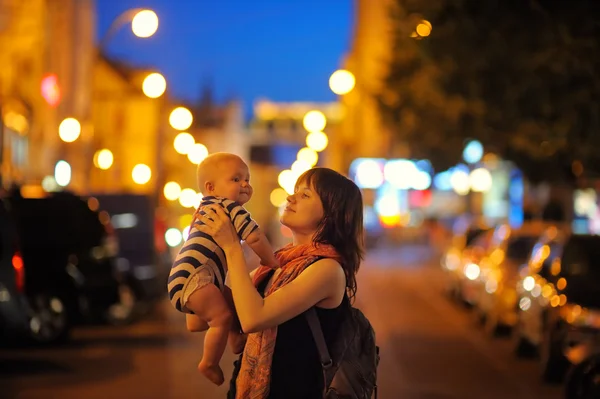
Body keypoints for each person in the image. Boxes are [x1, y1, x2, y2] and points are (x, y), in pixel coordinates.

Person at [196, 167, 364, 398]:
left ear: (331, 213)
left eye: (305, 195)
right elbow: (234, 337)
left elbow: (253, 319)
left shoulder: (328, 269)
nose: (290, 197)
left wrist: (232, 246)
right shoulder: (277, 264)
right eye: (295, 191)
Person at [167, 152, 278, 386]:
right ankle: (208, 363)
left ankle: (233, 337)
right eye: (236, 179)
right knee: (222, 316)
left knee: (233, 299)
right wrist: (272, 262)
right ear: (211, 187)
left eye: (247, 179)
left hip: (188, 276)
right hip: (196, 279)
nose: (245, 184)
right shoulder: (230, 208)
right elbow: (255, 238)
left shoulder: (204, 208)